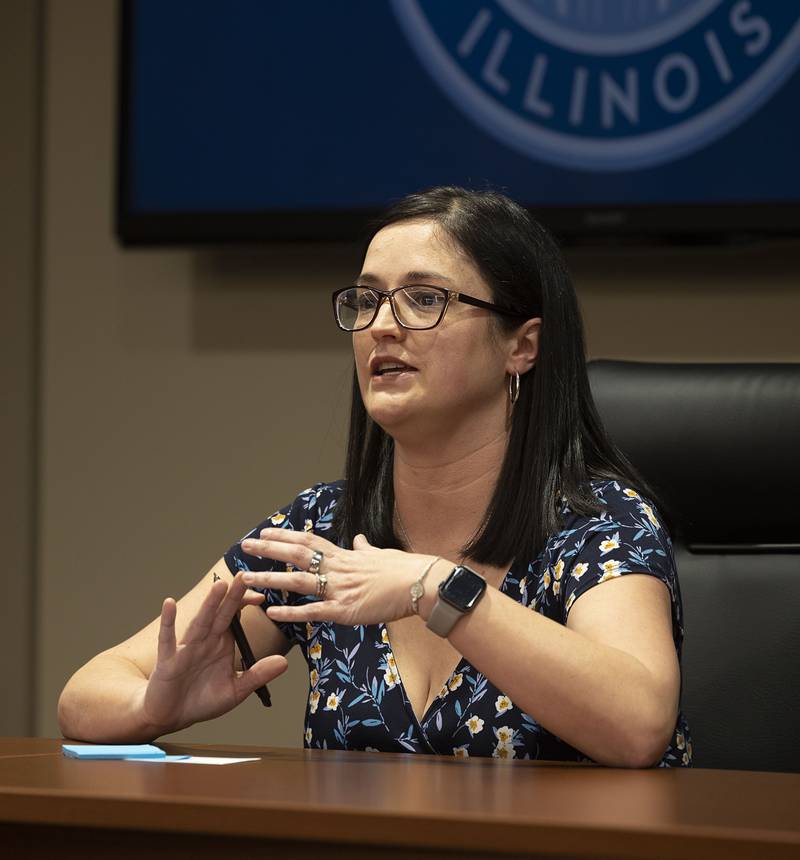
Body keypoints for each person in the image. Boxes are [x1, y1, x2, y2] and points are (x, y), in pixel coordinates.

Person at [58, 187, 691, 767]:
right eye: (367, 300)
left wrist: (433, 586)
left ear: (520, 346)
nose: (382, 325)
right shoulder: (323, 531)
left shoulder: (596, 524)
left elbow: (638, 725)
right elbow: (86, 695)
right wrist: (156, 707)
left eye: (425, 299)